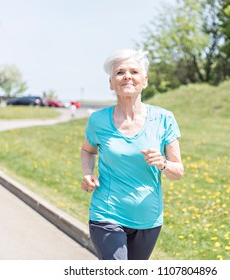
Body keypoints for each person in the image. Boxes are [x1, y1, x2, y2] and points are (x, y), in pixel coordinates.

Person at [80, 49, 184, 260]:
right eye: (120, 72)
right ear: (111, 83)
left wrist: (162, 163)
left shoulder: (164, 119)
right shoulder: (98, 120)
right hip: (106, 214)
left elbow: (178, 171)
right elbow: (87, 150)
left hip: (148, 218)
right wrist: (88, 172)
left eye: (134, 71)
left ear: (144, 80)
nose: (127, 76)